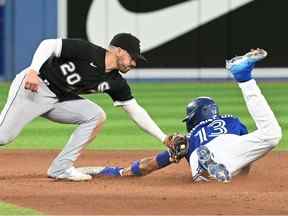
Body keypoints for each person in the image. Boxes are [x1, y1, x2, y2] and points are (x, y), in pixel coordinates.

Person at [77, 48, 282, 183]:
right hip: (233, 147)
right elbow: (246, 163)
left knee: (211, 175)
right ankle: (244, 79)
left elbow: (148, 165)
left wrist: (118, 172)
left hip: (200, 151)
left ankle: (207, 167)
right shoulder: (233, 121)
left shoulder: (189, 138)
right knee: (272, 134)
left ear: (195, 116)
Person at [0, 33, 171, 181]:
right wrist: (33, 71)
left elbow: (135, 110)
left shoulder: (116, 82)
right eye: (132, 57)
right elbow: (49, 44)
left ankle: (61, 168)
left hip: (60, 98)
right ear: (119, 51)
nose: (134, 63)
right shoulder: (87, 51)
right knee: (3, 137)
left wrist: (163, 138)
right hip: (34, 88)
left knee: (95, 116)